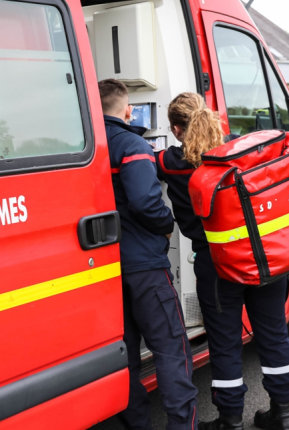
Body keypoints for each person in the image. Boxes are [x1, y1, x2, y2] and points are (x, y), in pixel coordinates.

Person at [154, 92, 289, 430]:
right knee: (274, 334)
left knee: (225, 342)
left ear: (176, 129)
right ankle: (283, 413)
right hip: (261, 259)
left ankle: (230, 420)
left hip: (217, 267)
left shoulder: (172, 162)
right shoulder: (238, 150)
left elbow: (143, 158)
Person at [99, 79, 198, 430]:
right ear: (128, 110)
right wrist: (167, 223)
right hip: (146, 268)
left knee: (126, 356)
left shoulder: (89, 148)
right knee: (172, 349)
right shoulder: (133, 145)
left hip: (105, 270)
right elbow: (144, 201)